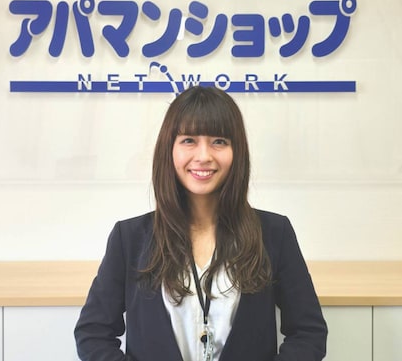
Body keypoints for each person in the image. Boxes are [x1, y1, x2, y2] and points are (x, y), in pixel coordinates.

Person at [74, 86, 327, 361]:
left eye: (219, 141)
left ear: (237, 151)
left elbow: (308, 333)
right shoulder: (130, 238)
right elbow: (93, 334)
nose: (204, 155)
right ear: (169, 149)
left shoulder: (274, 233)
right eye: (189, 140)